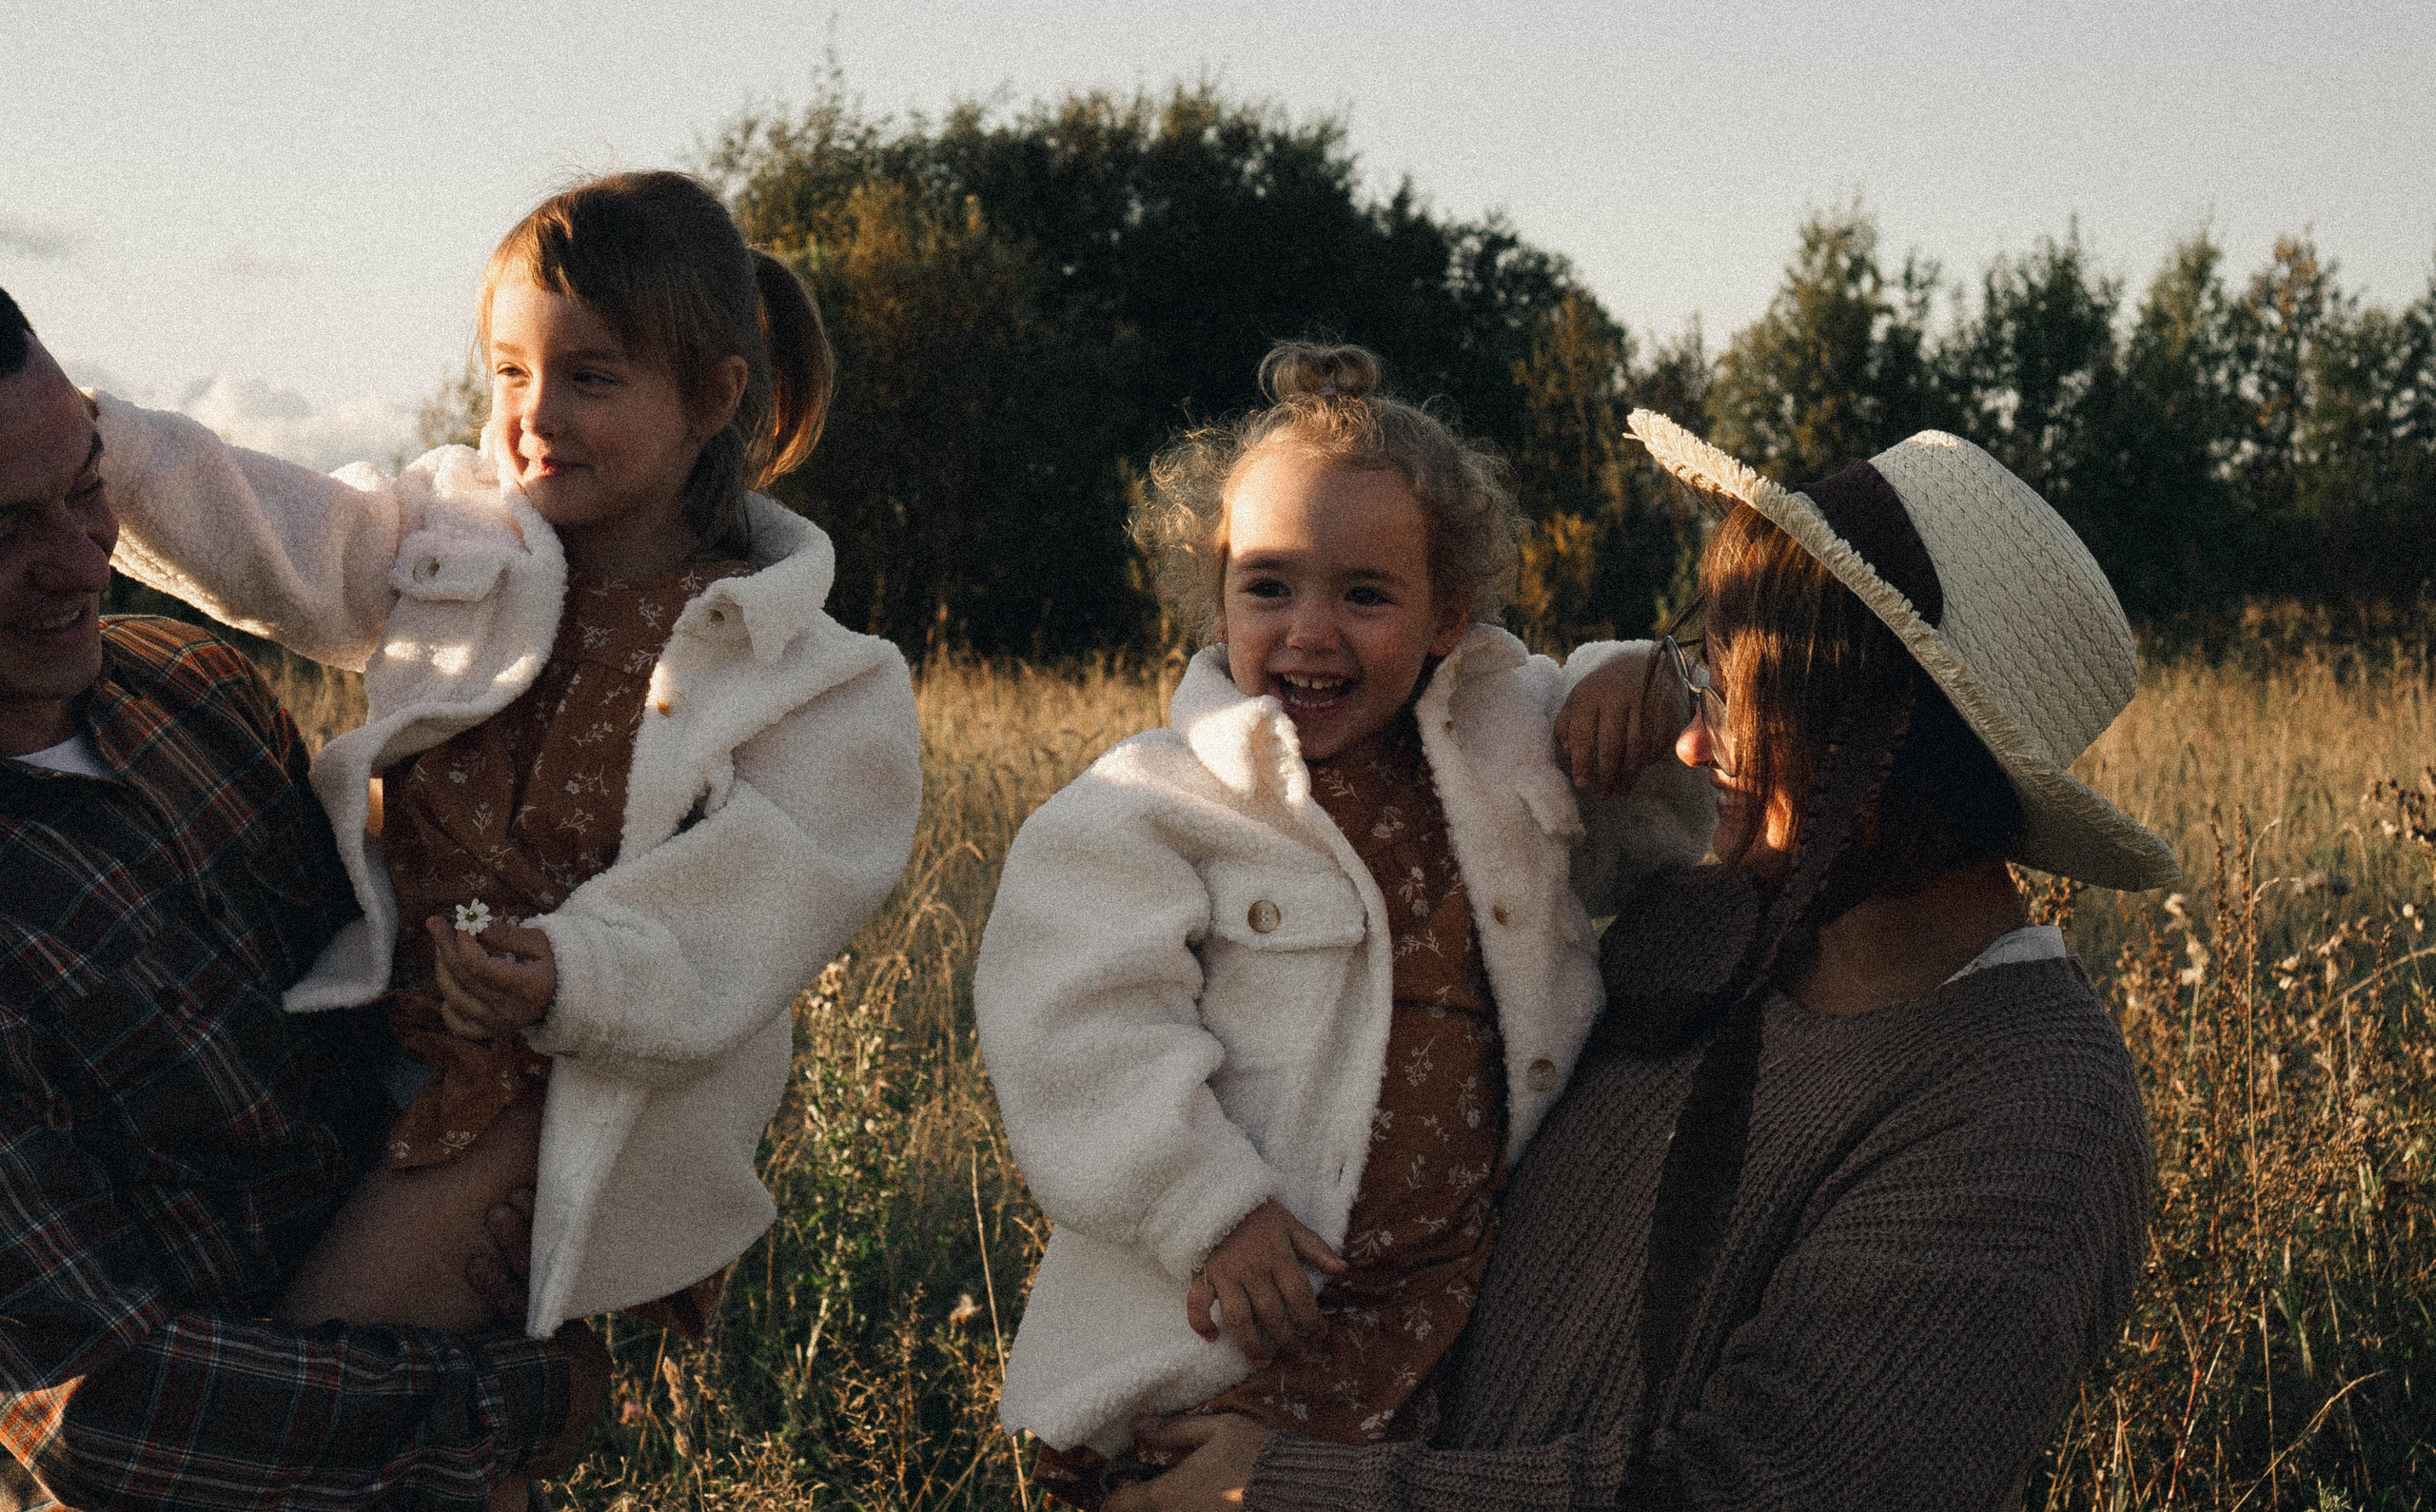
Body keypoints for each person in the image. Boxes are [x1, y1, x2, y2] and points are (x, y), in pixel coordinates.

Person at [1110, 412, 2177, 1511]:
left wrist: (1291, 1493)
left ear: (1894, 750)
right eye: (1702, 672)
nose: (1692, 742)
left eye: (1746, 699)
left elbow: (1762, 1490)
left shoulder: (2024, 1110)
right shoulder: (1705, 928)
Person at [80, 175, 923, 1499]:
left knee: (306, 1385)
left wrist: (577, 973)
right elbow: (274, 529)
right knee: (429, 1453)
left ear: (712, 396)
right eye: (511, 368)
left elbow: (777, 886)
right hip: (370, 1040)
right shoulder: (457, 541)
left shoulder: (809, 668)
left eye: (590, 377)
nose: (536, 415)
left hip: (547, 1085)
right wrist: (99, 444)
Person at [974, 344, 1715, 1507]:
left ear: (1445, 618)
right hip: (1228, 1320)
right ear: (1215, 593)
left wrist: (1648, 687)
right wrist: (1199, 1203)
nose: (1309, 632)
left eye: (1364, 595)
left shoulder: (1506, 742)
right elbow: (1072, 1027)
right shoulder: (1153, 806)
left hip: (1442, 1328)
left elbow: (1668, 828)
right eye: (1268, 586)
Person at [0, 284, 605, 1507]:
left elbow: (393, 1025)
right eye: (4, 527)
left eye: (86, 486)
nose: (82, 559)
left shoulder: (197, 692)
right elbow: (94, 1413)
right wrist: (509, 1397)